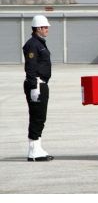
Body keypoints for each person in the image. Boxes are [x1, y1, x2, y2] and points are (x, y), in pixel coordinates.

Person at [23, 15, 54, 162]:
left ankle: (37, 147)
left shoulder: (40, 43)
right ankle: (33, 151)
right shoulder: (32, 45)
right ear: (38, 28)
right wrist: (34, 86)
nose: (47, 29)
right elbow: (30, 67)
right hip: (36, 83)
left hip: (41, 83)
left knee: (40, 117)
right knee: (36, 117)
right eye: (45, 27)